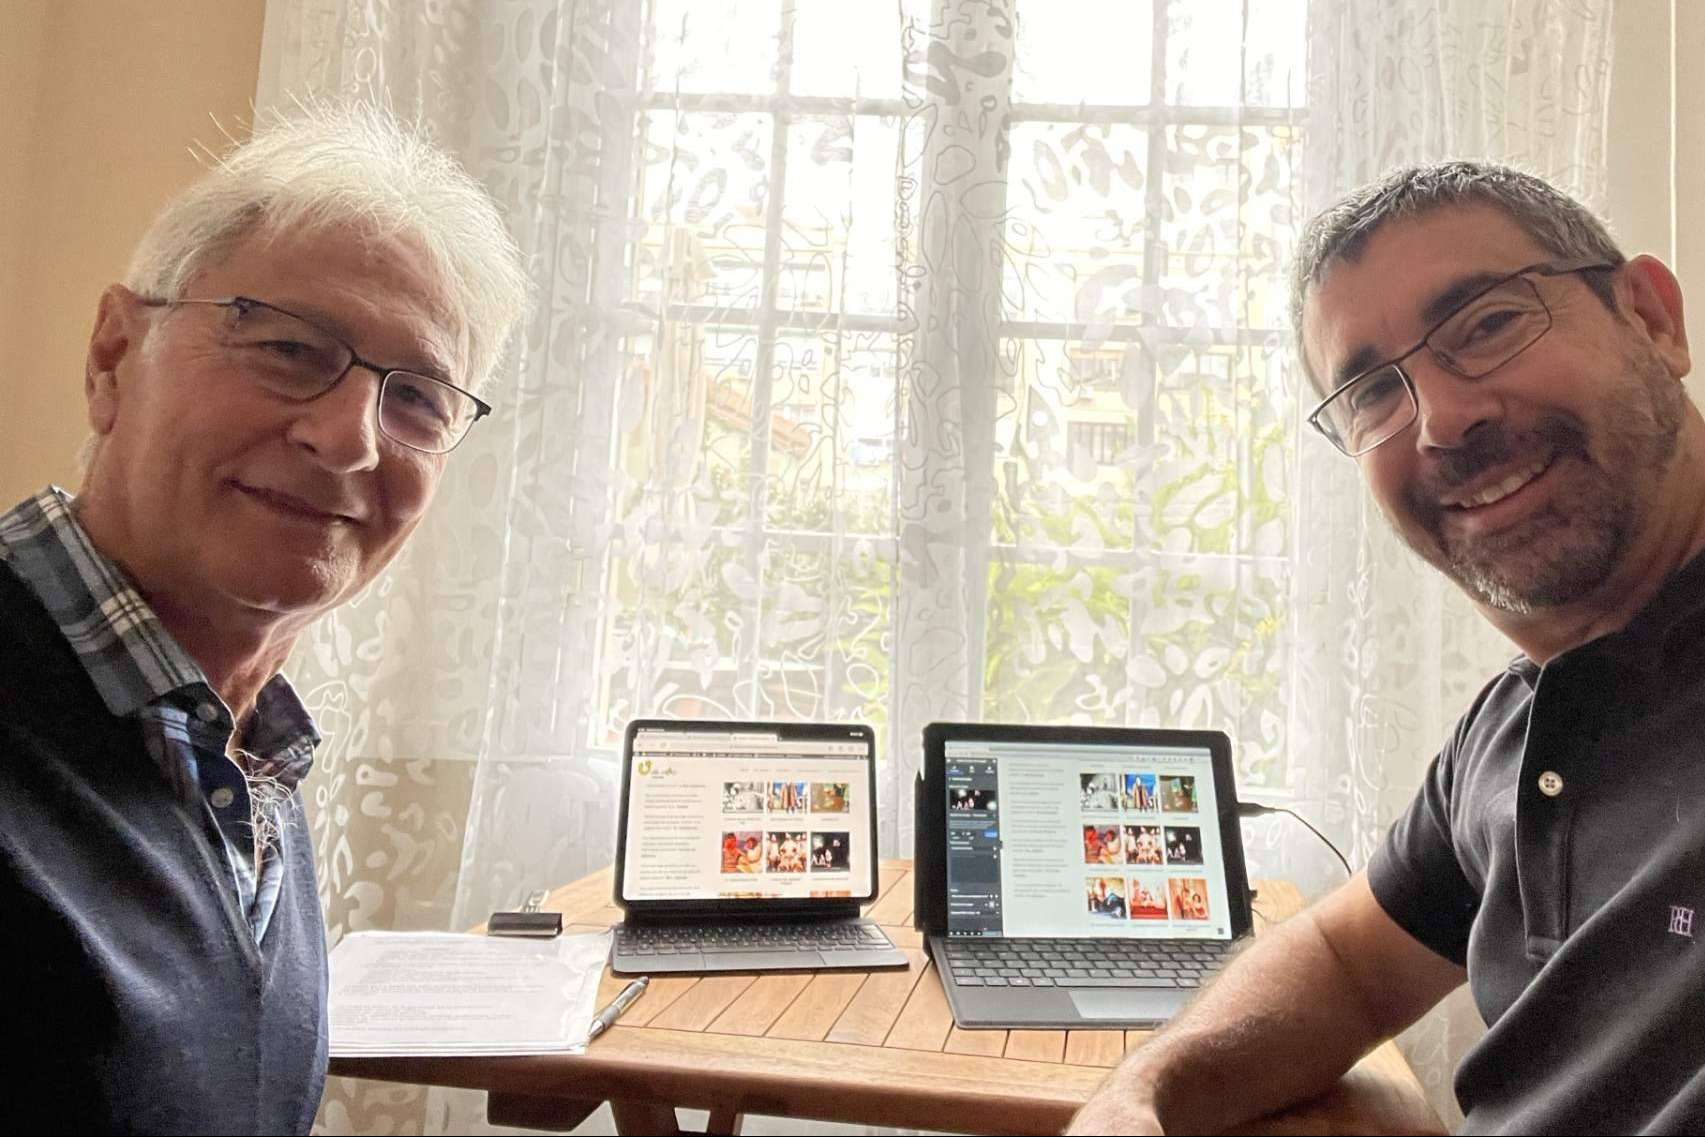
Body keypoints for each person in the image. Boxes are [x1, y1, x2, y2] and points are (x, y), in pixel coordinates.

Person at [1069, 161, 1705, 1135]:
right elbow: (1345, 960)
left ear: (1651, 320)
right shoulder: (1509, 734)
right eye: (1372, 391)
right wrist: (1138, 1097)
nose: (1443, 420)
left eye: (1487, 325)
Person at [0, 102, 528, 1134]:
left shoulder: (251, 765)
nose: (350, 438)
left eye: (418, 399)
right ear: (113, 356)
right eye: (288, 347)